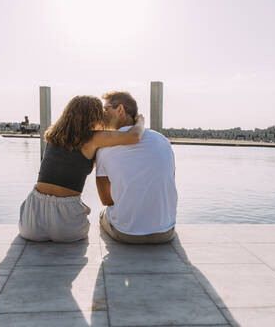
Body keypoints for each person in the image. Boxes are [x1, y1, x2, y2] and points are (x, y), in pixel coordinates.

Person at [19, 95, 145, 242]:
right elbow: (135, 136)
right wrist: (140, 121)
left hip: (32, 220)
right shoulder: (93, 138)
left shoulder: (53, 136)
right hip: (67, 224)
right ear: (94, 117)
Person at [96, 91, 177, 244]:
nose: (101, 115)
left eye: (105, 109)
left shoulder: (104, 148)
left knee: (102, 214)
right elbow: (170, 181)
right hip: (166, 232)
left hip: (126, 234)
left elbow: (106, 199)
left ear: (120, 110)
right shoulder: (162, 140)